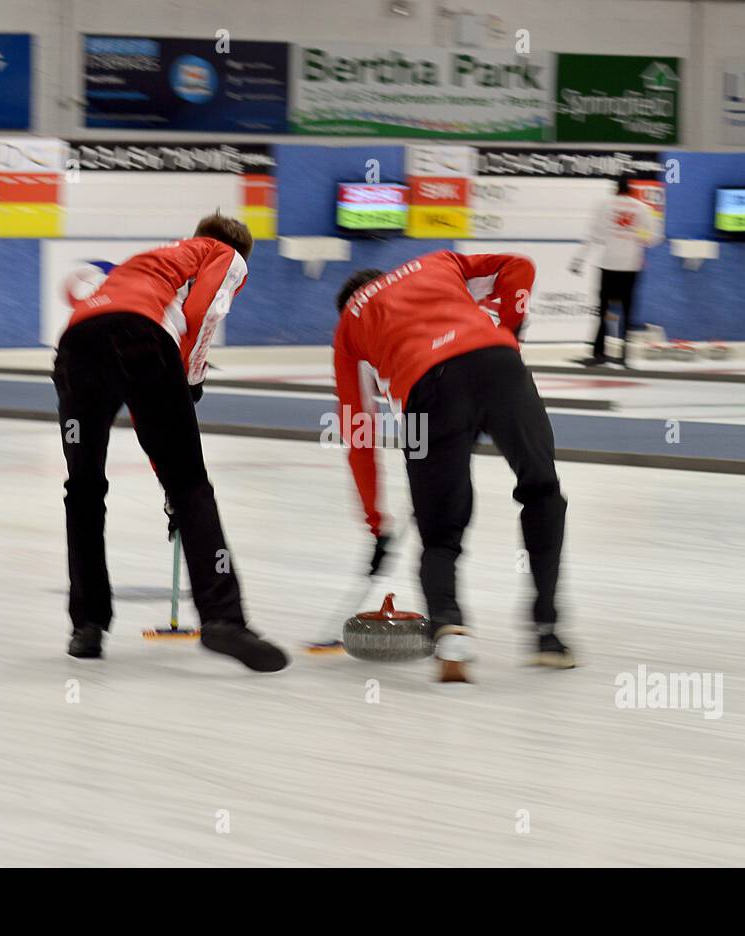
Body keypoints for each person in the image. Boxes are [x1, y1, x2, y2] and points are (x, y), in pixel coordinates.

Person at [52, 213, 288, 673]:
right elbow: (203, 314)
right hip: (142, 340)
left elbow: (143, 405)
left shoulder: (146, 260)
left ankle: (87, 625)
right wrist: (192, 378)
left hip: (76, 348)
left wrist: (167, 482)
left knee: (83, 488)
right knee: (193, 487)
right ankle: (223, 619)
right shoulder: (224, 254)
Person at [333, 251, 574, 683]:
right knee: (542, 490)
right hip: (500, 368)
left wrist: (376, 522)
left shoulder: (351, 321)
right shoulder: (436, 263)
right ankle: (547, 632)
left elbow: (359, 431)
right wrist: (508, 326)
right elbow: (519, 265)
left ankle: (449, 628)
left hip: (426, 402)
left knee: (440, 533)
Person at [568, 173, 662, 368]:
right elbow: (654, 239)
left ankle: (599, 354)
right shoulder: (643, 209)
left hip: (608, 265)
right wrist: (636, 235)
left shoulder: (604, 205)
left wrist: (579, 259)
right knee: (627, 312)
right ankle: (624, 356)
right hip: (630, 267)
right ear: (631, 190)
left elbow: (593, 235)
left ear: (615, 189)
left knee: (603, 311)